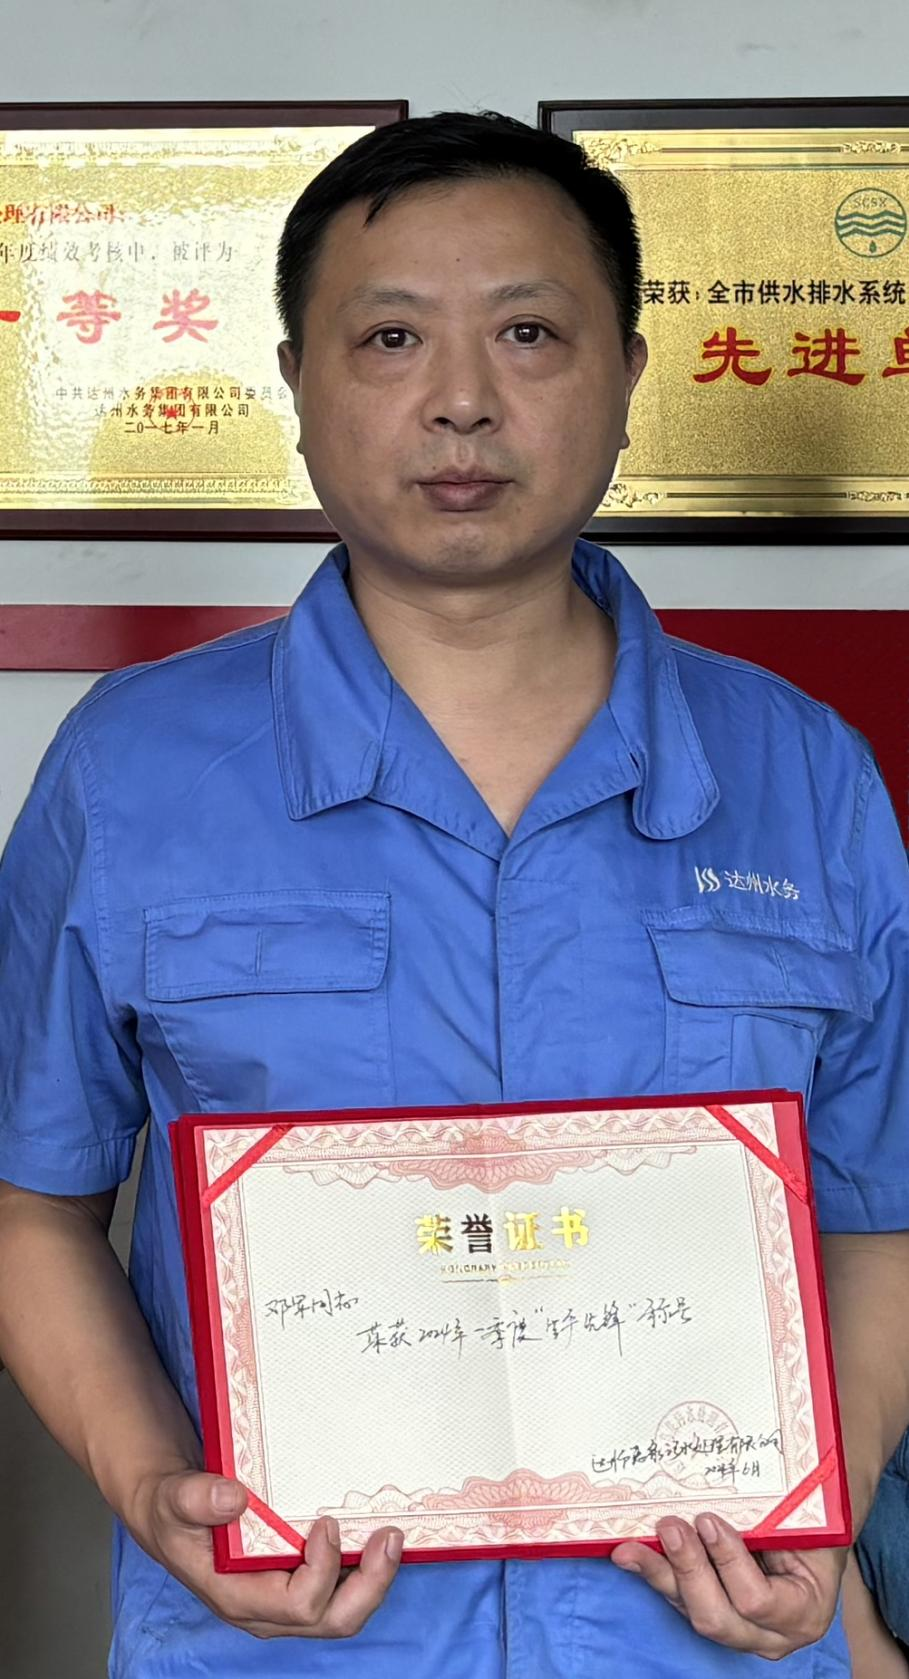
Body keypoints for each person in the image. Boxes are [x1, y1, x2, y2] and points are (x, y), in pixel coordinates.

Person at [0, 108, 907, 1679]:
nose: (463, 400)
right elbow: (31, 1205)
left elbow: (878, 1222)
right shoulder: (130, 773)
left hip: (701, 1647)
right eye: (392, 337)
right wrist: (152, 1486)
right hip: (282, 1647)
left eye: (531, 332)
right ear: (297, 384)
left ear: (629, 375)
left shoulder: (804, 773)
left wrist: (825, 1525)